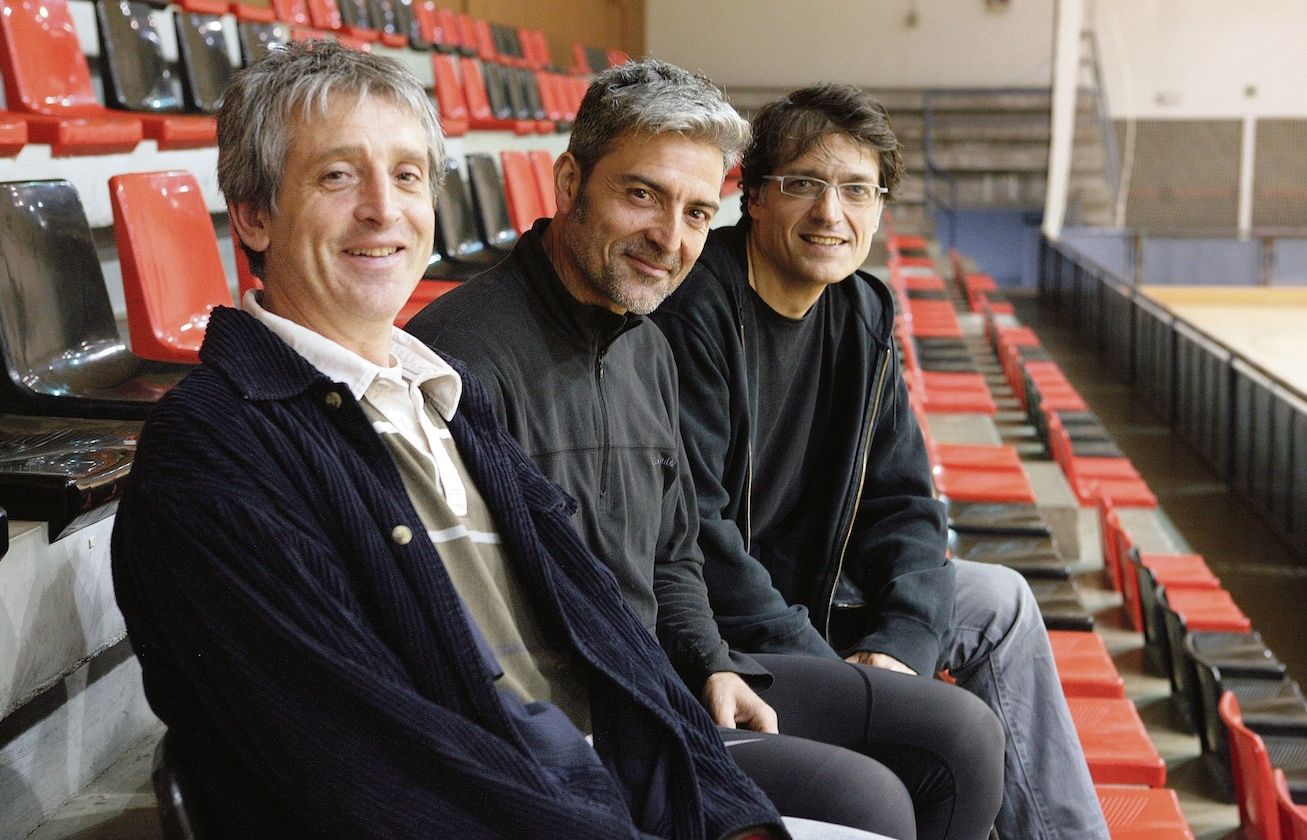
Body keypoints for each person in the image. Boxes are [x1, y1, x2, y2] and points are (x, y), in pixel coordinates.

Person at [109, 41, 877, 840]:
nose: (384, 208)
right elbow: (372, 764)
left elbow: (610, 638)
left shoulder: (438, 392)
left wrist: (732, 815)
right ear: (254, 214)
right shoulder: (212, 449)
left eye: (408, 176)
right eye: (338, 176)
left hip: (606, 781)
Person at [407, 58, 1004, 840]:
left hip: (672, 673)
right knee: (873, 799)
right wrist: (667, 697)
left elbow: (673, 554)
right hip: (588, 718)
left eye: (694, 211)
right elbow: (479, 618)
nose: (669, 237)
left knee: (960, 735)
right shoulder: (460, 358)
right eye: (640, 195)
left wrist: (712, 662)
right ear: (567, 183)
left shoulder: (642, 343)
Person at [648, 83, 1111, 840]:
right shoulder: (694, 315)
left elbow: (903, 500)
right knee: (936, 726)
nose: (830, 214)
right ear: (753, 197)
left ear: (878, 206)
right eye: (803, 185)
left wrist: (900, 644)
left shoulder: (860, 310)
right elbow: (695, 537)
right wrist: (848, 680)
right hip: (732, 629)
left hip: (829, 595)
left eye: (857, 190)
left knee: (999, 601)